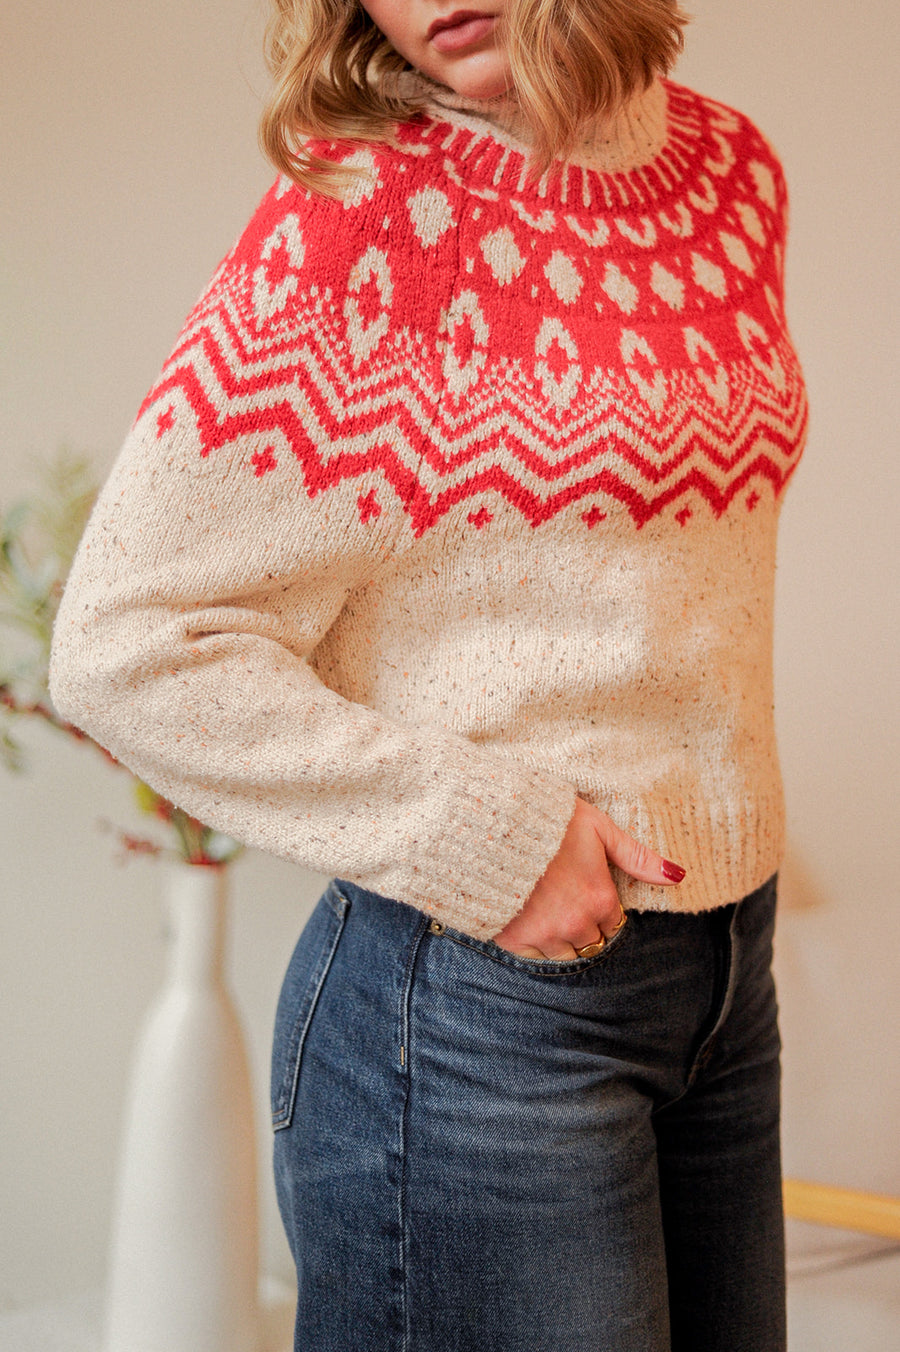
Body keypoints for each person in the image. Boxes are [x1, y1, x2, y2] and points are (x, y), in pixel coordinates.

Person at [49, 0, 809, 1347]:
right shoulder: (370, 211)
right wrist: (493, 836)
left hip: (724, 981)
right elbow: (128, 640)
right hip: (473, 1011)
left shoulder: (736, 174)